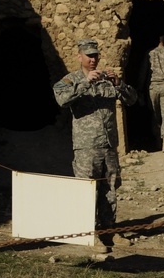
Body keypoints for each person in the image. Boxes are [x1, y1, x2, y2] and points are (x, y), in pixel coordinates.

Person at [53, 38, 137, 251]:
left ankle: (108, 231)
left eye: (95, 55)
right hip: (86, 146)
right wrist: (85, 83)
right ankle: (89, 236)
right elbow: (61, 100)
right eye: (89, 56)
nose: (93, 59)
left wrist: (119, 84)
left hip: (108, 145)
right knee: (87, 189)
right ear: (79, 57)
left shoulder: (107, 80)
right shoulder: (71, 80)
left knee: (110, 188)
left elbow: (132, 99)